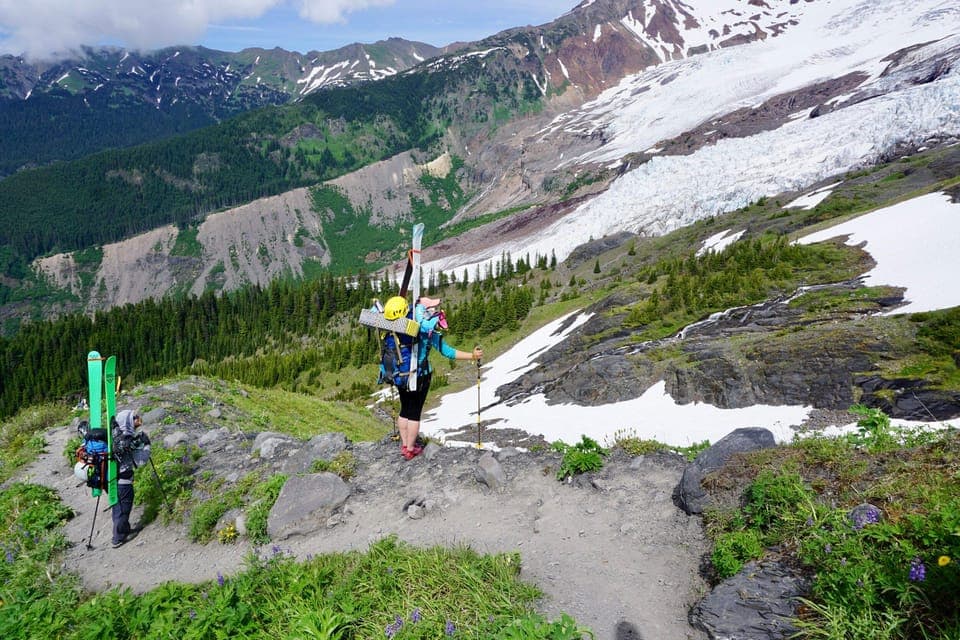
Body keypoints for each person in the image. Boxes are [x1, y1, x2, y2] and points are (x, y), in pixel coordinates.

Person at [385, 295, 482, 460]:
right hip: (420, 375)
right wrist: (472, 356)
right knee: (415, 413)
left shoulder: (395, 327)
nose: (433, 311)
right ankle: (410, 449)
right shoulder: (425, 331)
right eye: (430, 308)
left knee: (405, 409)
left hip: (399, 373)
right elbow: (448, 352)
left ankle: (404, 444)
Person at [111, 409, 150, 548]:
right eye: (134, 418)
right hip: (124, 482)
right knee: (123, 509)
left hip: (115, 480)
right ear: (127, 421)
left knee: (118, 508)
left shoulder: (115, 436)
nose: (138, 420)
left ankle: (124, 530)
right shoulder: (126, 441)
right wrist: (146, 445)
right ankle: (118, 538)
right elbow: (141, 461)